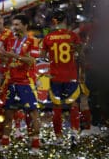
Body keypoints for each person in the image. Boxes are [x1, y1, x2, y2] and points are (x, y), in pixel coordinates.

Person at [0, 14, 41, 155]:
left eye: (17, 24)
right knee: (8, 114)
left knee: (32, 114)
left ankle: (35, 145)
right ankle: (4, 143)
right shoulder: (11, 41)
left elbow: (31, 61)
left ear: (25, 25)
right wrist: (2, 55)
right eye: (13, 25)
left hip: (26, 82)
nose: (14, 28)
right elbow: (6, 59)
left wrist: (11, 55)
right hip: (12, 82)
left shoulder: (33, 41)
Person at [41, 10, 83, 147]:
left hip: (55, 77)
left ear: (54, 21)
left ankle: (58, 137)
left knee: (57, 107)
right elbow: (80, 54)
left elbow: (43, 56)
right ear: (65, 20)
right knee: (74, 106)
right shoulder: (73, 36)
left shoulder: (48, 37)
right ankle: (75, 135)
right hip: (71, 75)